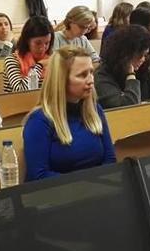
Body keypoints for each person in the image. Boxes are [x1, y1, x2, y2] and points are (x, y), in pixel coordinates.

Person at [23, 46, 116, 181]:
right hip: (57, 195)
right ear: (62, 80)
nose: (91, 80)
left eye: (91, 72)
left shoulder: (95, 111)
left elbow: (110, 160)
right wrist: (87, 185)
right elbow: (38, 175)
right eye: (82, 75)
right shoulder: (39, 120)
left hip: (96, 191)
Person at [95, 25, 150, 108]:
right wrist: (131, 76)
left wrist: (146, 103)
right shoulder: (102, 75)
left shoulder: (144, 71)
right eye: (139, 55)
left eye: (145, 55)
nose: (143, 59)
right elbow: (127, 108)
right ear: (124, 54)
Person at [3, 16, 54, 93]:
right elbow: (20, 90)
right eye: (38, 43)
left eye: (47, 43)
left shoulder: (52, 59)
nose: (43, 48)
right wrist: (39, 66)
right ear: (27, 41)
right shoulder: (12, 60)